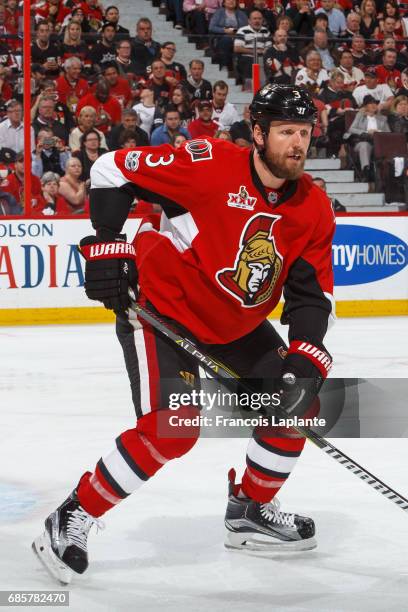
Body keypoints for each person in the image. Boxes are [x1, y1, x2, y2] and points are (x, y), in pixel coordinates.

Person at [33, 84, 335, 585]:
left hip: (234, 324)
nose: (297, 144)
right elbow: (110, 169)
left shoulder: (313, 208)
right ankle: (73, 514)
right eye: (286, 132)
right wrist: (108, 246)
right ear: (258, 133)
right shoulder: (210, 164)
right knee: (173, 428)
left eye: (304, 133)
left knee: (298, 403)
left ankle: (250, 510)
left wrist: (306, 356)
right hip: (163, 310)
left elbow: (310, 296)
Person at [344, 94, 391, 181]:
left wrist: (377, 132)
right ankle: (366, 171)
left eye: (375, 103)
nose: (374, 105)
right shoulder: (360, 116)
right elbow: (351, 129)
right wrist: (366, 132)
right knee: (365, 145)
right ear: (366, 106)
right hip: (362, 141)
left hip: (378, 143)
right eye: (370, 103)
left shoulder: (382, 118)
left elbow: (388, 133)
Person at [233, 9, 271, 85]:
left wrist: (264, 51)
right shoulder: (242, 30)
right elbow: (237, 48)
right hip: (247, 58)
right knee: (251, 61)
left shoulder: (266, 31)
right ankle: (249, 87)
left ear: (262, 20)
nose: (257, 21)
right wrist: (255, 51)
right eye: (255, 18)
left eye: (259, 19)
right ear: (249, 21)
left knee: (270, 62)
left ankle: (265, 87)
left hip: (263, 58)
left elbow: (269, 48)